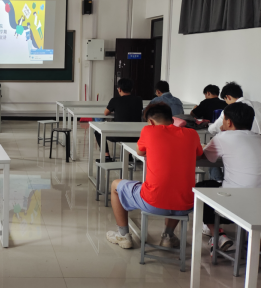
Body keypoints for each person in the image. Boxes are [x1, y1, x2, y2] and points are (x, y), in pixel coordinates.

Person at [106, 103, 203, 249]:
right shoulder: (191, 134)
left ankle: (123, 235)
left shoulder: (148, 130)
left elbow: (140, 151)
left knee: (115, 185)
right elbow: (199, 154)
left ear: (151, 122)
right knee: (175, 188)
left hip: (153, 202)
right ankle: (168, 236)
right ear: (172, 119)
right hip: (186, 204)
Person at [197, 103, 261, 254]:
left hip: (233, 206)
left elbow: (206, 157)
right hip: (258, 204)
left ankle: (217, 235)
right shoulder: (258, 138)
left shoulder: (223, 137)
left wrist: (219, 136)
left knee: (203, 188)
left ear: (229, 122)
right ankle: (255, 242)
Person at [95, 78, 143, 162]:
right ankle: (129, 155)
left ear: (119, 89)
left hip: (119, 135)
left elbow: (106, 113)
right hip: (136, 135)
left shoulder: (115, 100)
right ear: (131, 89)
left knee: (98, 132)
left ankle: (107, 156)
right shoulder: (138, 100)